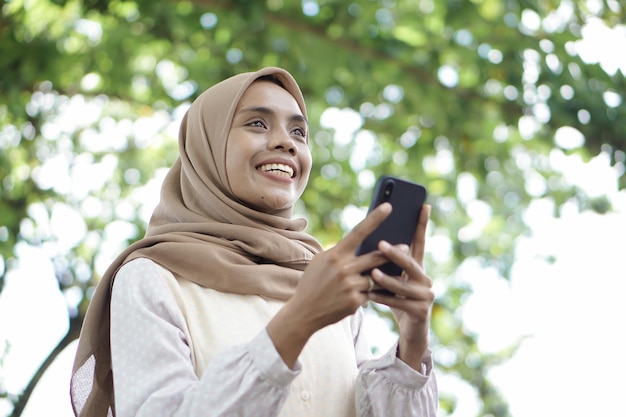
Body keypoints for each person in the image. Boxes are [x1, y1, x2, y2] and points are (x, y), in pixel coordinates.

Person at [70, 67, 438, 417]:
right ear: (206, 147)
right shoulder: (151, 277)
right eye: (258, 123)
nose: (286, 143)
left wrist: (412, 342)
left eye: (299, 132)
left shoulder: (327, 281)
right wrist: (298, 321)